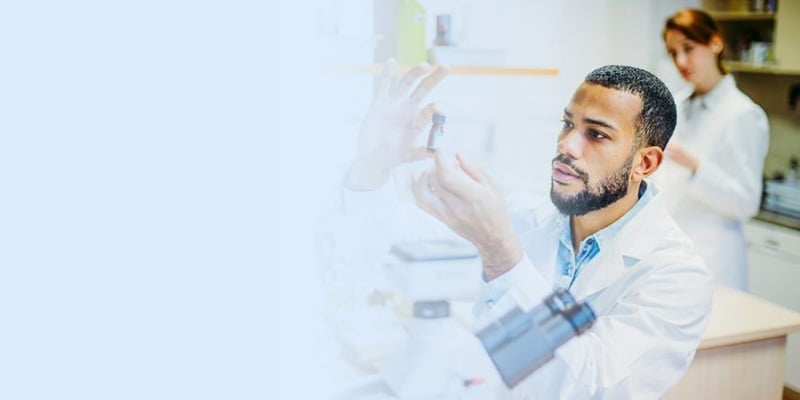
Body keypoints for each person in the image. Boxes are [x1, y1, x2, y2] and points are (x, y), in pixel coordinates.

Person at [343, 63, 712, 398]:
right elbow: (387, 257)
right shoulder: (523, 217)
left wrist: (502, 256)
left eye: (596, 135)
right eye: (568, 124)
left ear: (645, 163)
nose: (567, 145)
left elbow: (595, 388)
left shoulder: (676, 276)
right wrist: (372, 165)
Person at [654, 8, 769, 290]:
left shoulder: (743, 114)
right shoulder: (678, 106)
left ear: (715, 44)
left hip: (714, 261)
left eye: (688, 48)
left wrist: (696, 166)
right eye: (673, 52)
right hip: (671, 255)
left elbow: (746, 202)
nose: (681, 61)